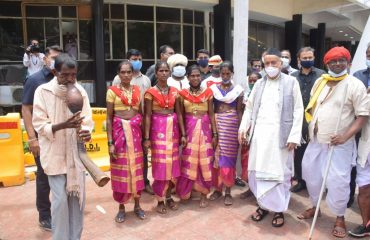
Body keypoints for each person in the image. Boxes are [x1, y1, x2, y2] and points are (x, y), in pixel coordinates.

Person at [298, 46, 369, 238]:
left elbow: (362, 116)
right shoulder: (320, 81)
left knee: (338, 182)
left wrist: (345, 136)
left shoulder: (354, 84)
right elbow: (313, 107)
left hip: (339, 143)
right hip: (316, 140)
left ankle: (339, 217)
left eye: (341, 60)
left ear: (348, 62)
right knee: (311, 175)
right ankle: (315, 207)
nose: (337, 64)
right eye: (333, 61)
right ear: (326, 63)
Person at [238, 48, 303, 227]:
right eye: (267, 63)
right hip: (260, 137)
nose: (270, 66)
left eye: (274, 63)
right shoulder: (259, 84)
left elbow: (298, 110)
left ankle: (279, 209)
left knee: (279, 175)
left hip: (281, 139)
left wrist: (294, 136)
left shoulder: (291, 82)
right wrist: (244, 128)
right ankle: (263, 206)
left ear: (280, 64)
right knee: (258, 173)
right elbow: (250, 108)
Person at [32, 53, 93, 239]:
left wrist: (86, 131)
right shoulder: (42, 91)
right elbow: (39, 125)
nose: (69, 79)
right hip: (54, 156)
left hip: (76, 156)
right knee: (59, 203)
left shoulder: (80, 91)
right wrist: (63, 125)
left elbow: (87, 121)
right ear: (54, 71)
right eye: (64, 75)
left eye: (73, 75)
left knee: (77, 202)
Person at [22, 45, 63, 231]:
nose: (56, 60)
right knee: (44, 176)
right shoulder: (34, 80)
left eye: (59, 57)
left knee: (62, 173)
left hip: (61, 135)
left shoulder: (64, 77)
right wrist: (32, 138)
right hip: (42, 137)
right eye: (53, 57)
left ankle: (61, 210)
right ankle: (45, 215)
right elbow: (26, 109)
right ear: (45, 59)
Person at [143, 61, 186, 214]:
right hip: (157, 132)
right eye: (160, 70)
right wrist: (146, 138)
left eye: (166, 70)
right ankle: (160, 199)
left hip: (173, 132)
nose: (163, 73)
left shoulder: (175, 92)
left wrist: (183, 134)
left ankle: (168, 197)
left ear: (169, 72)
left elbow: (180, 113)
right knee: (161, 165)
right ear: (156, 73)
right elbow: (147, 116)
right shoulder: (150, 93)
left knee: (173, 165)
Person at [106, 60, 146, 223]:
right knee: (121, 170)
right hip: (118, 133)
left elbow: (141, 114)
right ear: (118, 74)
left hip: (136, 134)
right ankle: (121, 207)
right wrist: (110, 142)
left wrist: (146, 138)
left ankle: (137, 205)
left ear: (132, 74)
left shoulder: (138, 90)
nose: (126, 75)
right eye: (123, 72)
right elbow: (109, 118)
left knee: (136, 169)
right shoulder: (112, 92)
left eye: (129, 72)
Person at [112, 50, 153, 194]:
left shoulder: (146, 80)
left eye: (139, 58)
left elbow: (147, 103)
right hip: (122, 123)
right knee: (123, 155)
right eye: (134, 59)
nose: (137, 61)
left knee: (142, 153)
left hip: (139, 121)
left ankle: (144, 182)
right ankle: (127, 184)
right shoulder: (118, 79)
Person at [176, 65, 217, 208]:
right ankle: (187, 191)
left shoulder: (208, 92)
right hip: (189, 131)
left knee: (204, 161)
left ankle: (204, 193)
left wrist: (215, 133)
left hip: (205, 131)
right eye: (192, 76)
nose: (195, 78)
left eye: (197, 75)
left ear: (201, 77)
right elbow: (180, 114)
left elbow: (211, 113)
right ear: (187, 77)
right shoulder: (181, 94)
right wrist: (182, 133)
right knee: (188, 161)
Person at [290, 47, 326, 193]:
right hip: (298, 119)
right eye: (304, 58)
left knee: (316, 152)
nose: (307, 60)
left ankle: (317, 182)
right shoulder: (293, 77)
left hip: (316, 119)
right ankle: (300, 180)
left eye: (310, 57)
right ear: (298, 60)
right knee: (298, 152)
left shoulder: (322, 75)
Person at [209, 61, 244, 206]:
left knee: (229, 159)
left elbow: (239, 110)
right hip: (217, 125)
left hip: (232, 126)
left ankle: (228, 191)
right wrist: (213, 131)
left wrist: (241, 129)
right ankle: (217, 189)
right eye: (222, 73)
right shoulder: (213, 90)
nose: (225, 76)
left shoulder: (238, 90)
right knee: (216, 158)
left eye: (227, 73)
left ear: (232, 73)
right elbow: (211, 110)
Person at [348, 42, 370, 238]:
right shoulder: (358, 78)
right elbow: (352, 109)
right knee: (363, 189)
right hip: (364, 142)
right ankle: (366, 224)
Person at [239, 71, 262, 199]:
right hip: (247, 132)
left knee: (258, 162)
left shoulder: (264, 95)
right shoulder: (245, 95)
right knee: (246, 161)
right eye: (250, 81)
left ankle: (259, 190)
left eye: (255, 81)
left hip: (259, 132)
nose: (252, 83)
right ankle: (250, 188)